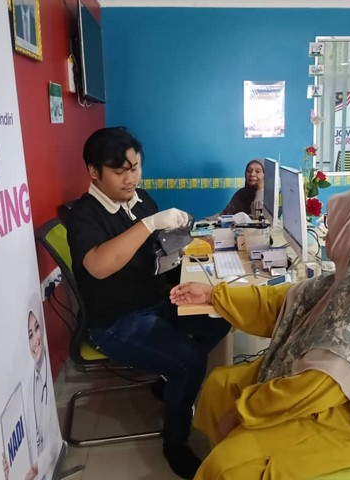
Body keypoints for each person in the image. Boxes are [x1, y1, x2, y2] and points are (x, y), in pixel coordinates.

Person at [170, 186, 350, 479]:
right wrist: (213, 294)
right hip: (314, 395)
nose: (326, 234)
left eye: (332, 225)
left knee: (228, 466)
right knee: (220, 385)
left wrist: (242, 412)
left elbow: (309, 390)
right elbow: (284, 303)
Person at [66, 126, 231, 479]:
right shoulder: (85, 214)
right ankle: (175, 442)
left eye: (135, 168)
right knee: (190, 360)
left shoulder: (140, 200)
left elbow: (159, 250)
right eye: (119, 171)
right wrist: (149, 223)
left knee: (222, 315)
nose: (131, 179)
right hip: (115, 321)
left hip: (156, 300)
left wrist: (182, 240)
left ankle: (168, 380)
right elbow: (98, 265)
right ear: (94, 172)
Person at [3, 306, 60, 480]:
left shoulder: (47, 372)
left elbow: (52, 440)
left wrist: (36, 468)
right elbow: (30, 437)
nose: (35, 340)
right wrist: (11, 465)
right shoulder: (30, 387)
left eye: (37, 329)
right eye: (30, 335)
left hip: (47, 466)